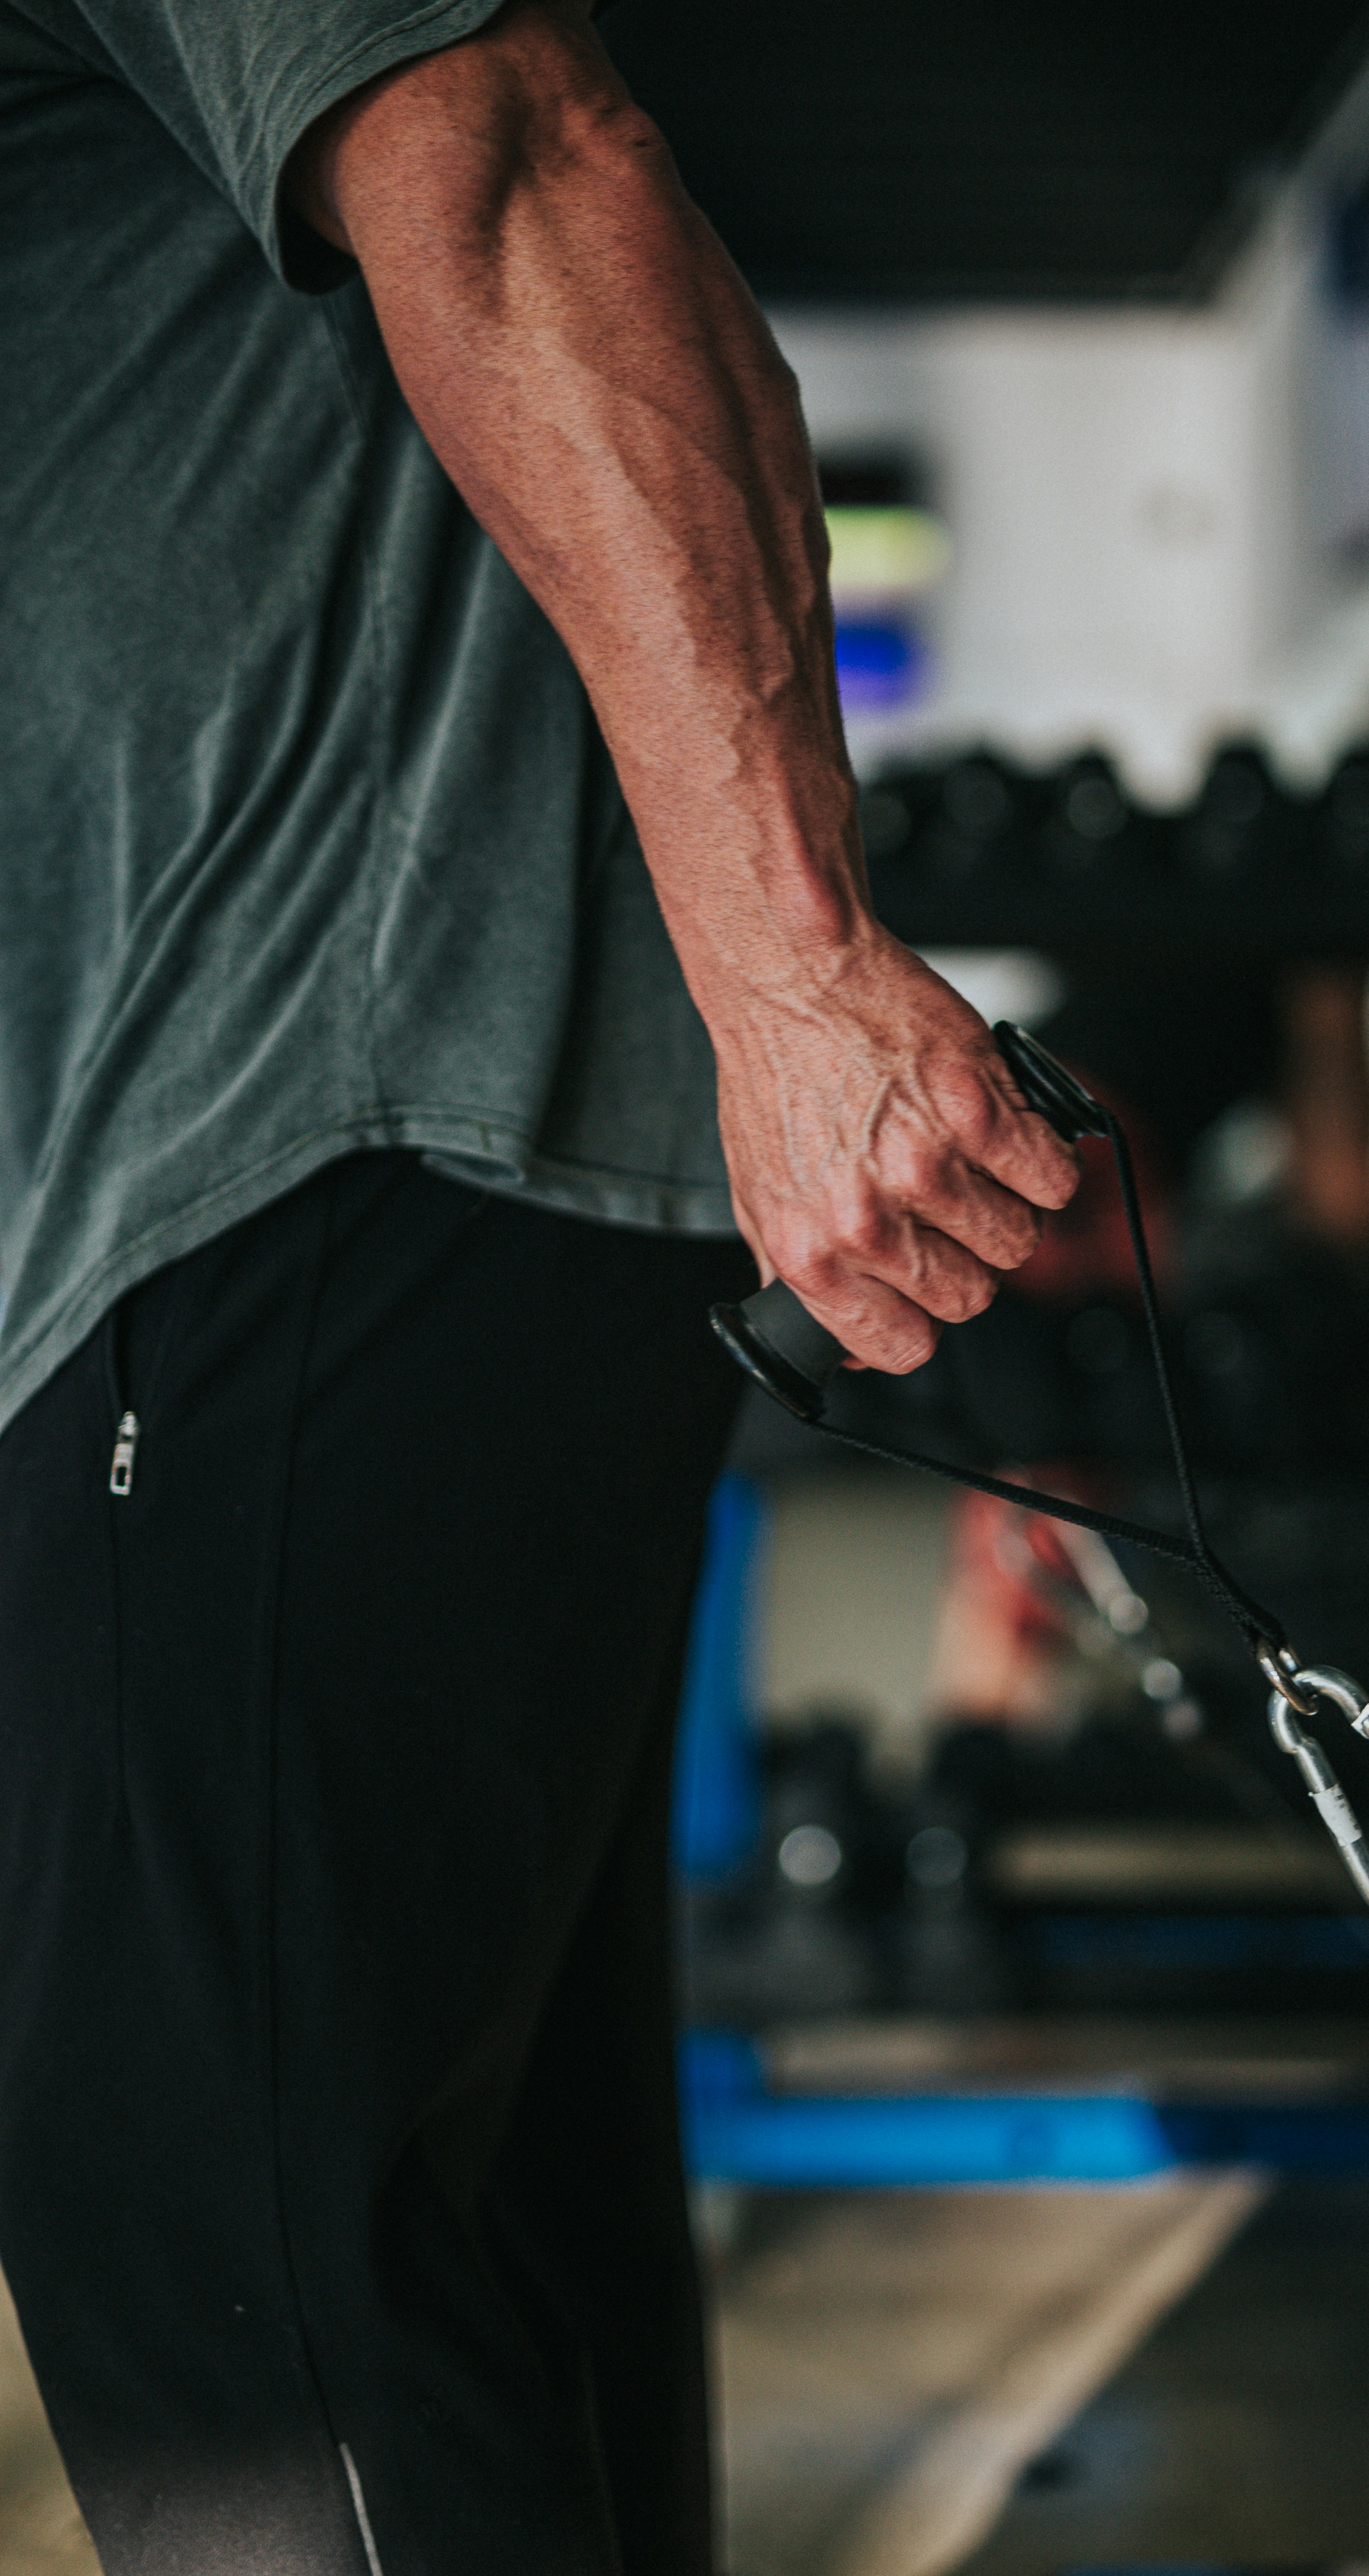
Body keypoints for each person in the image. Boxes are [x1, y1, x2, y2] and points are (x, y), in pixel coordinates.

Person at [0, 2, 1078, 2568]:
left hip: (297, 1128)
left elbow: (517, 160)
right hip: (354, 1166)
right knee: (469, 2256)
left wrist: (789, 963)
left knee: (257, 2269)